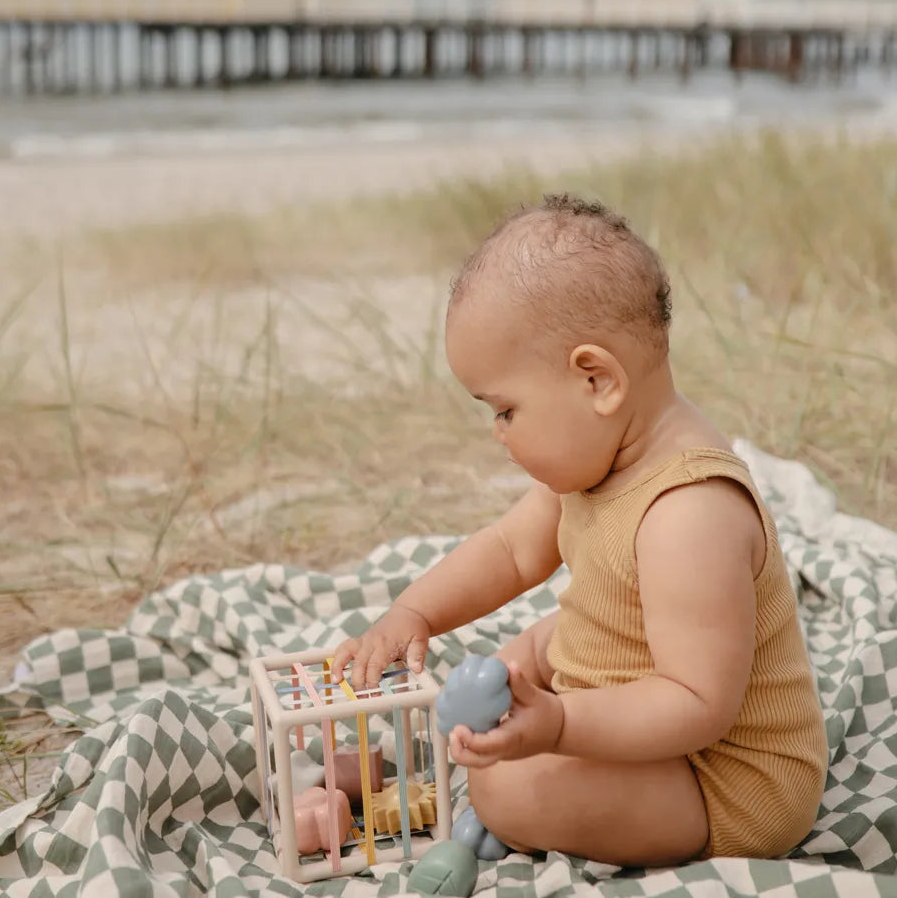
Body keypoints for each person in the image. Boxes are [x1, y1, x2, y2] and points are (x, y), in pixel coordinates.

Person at [330, 193, 827, 866]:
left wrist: (560, 725)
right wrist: (413, 612)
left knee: (510, 785)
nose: (496, 433)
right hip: (637, 694)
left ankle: (533, 804)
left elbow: (696, 703)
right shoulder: (599, 459)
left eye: (506, 410)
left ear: (596, 380)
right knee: (517, 659)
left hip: (723, 778)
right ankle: (543, 769)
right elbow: (509, 551)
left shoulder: (689, 513)